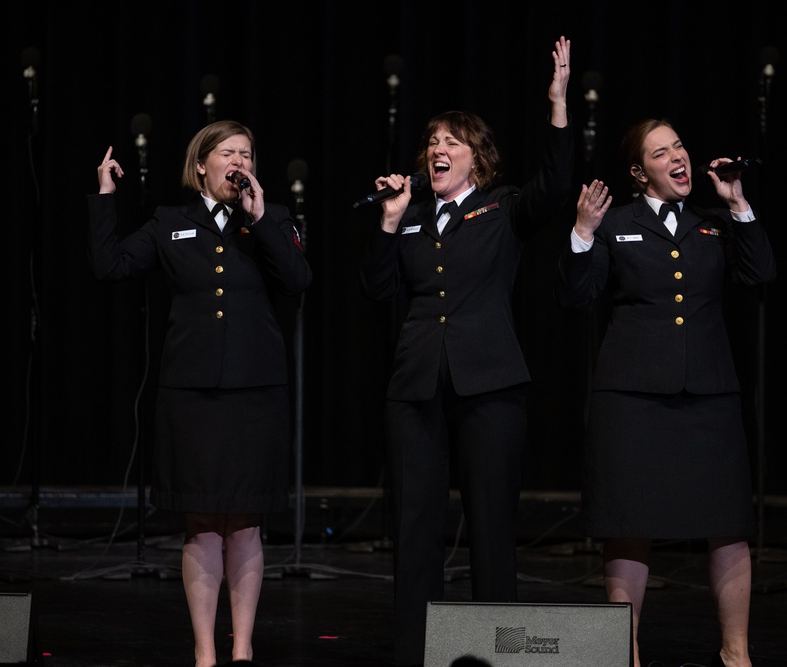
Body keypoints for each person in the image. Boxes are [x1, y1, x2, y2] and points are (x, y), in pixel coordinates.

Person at [359, 36, 574, 667]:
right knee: (416, 526)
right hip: (417, 385)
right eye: (432, 143)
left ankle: (495, 652)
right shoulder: (414, 215)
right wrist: (390, 220)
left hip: (490, 384)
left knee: (489, 526)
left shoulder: (502, 208)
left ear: (477, 159)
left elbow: (556, 190)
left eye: (451, 142)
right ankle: (414, 649)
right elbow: (376, 288)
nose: (437, 151)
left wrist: (557, 106)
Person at [88, 119, 312, 667]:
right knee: (203, 523)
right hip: (190, 397)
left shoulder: (273, 219)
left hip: (255, 394)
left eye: (248, 154)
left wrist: (260, 222)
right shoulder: (171, 222)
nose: (240, 161)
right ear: (201, 166)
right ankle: (205, 651)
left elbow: (298, 281)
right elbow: (108, 265)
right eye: (229, 153)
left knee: (247, 522)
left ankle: (244, 648)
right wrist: (105, 198)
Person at [553, 118, 776, 667]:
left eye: (680, 145)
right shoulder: (616, 222)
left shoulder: (711, 224)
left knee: (727, 523)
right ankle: (622, 651)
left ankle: (735, 653)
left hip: (708, 394)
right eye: (661, 152)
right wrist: (583, 230)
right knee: (629, 525)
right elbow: (575, 295)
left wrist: (737, 203)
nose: (678, 157)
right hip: (632, 398)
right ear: (639, 172)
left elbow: (760, 273)